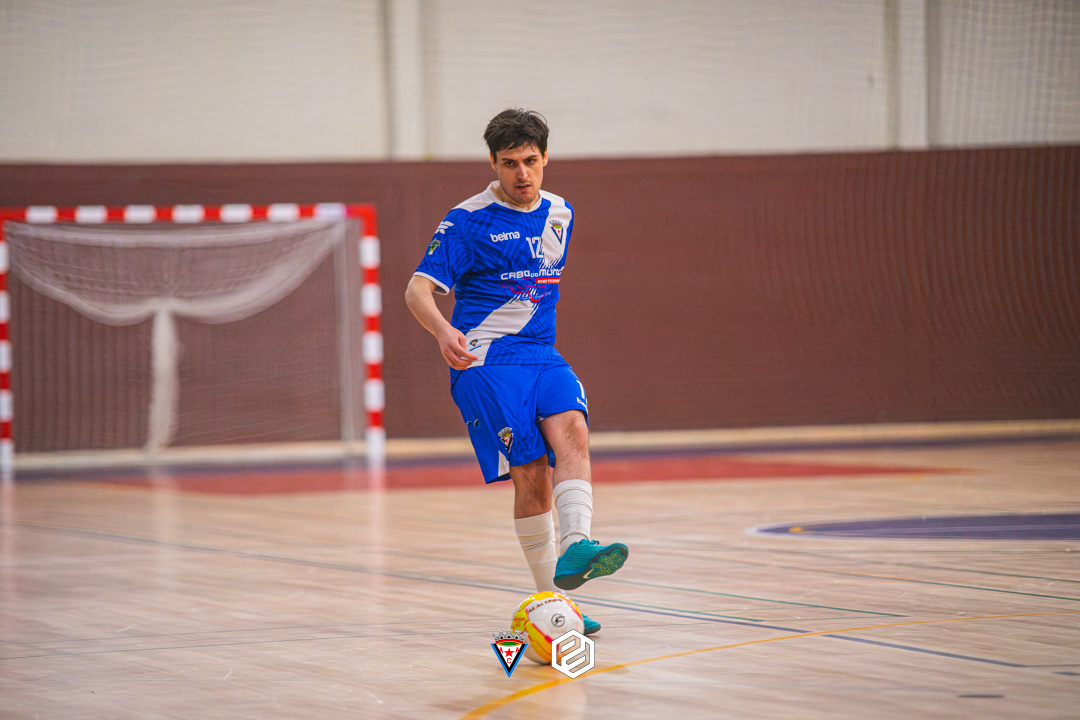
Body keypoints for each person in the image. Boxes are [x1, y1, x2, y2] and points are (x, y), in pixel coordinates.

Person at [404, 109, 627, 634]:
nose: (522, 174)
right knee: (531, 476)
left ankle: (578, 546)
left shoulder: (561, 213)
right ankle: (553, 602)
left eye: (530, 161)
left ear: (546, 158)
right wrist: (442, 331)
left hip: (542, 353)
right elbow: (417, 289)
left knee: (573, 432)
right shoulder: (466, 220)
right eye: (509, 164)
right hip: (485, 358)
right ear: (493, 163)